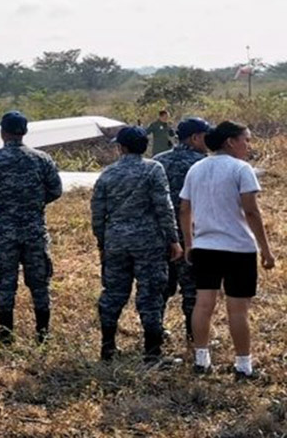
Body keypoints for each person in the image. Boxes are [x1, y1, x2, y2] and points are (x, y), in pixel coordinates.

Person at [180, 121, 275, 379]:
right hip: (238, 248)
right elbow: (252, 211)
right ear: (230, 142)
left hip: (205, 246)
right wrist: (266, 249)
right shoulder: (241, 169)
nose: (249, 145)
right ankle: (243, 365)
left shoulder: (196, 169)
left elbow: (185, 208)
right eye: (246, 140)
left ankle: (202, 360)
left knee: (203, 304)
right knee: (238, 309)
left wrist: (190, 243)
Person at [0, 111, 62, 344]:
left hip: (3, 231)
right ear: (24, 132)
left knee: (5, 283)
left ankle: (6, 334)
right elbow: (56, 190)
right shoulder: (42, 159)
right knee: (39, 283)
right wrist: (35, 203)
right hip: (34, 230)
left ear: (2, 132)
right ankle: (43, 334)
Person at [91, 126, 183, 364]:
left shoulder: (107, 175)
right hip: (149, 243)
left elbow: (97, 214)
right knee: (150, 295)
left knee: (113, 294)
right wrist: (173, 239)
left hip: (116, 242)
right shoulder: (153, 169)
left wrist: (103, 242)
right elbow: (164, 207)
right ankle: (152, 354)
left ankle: (108, 349)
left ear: (122, 148)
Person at [153, 117, 211, 342]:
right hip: (192, 235)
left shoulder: (158, 161)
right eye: (206, 137)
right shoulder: (201, 164)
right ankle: (193, 336)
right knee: (192, 288)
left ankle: (156, 331)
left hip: (161, 235)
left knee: (161, 286)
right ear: (195, 137)